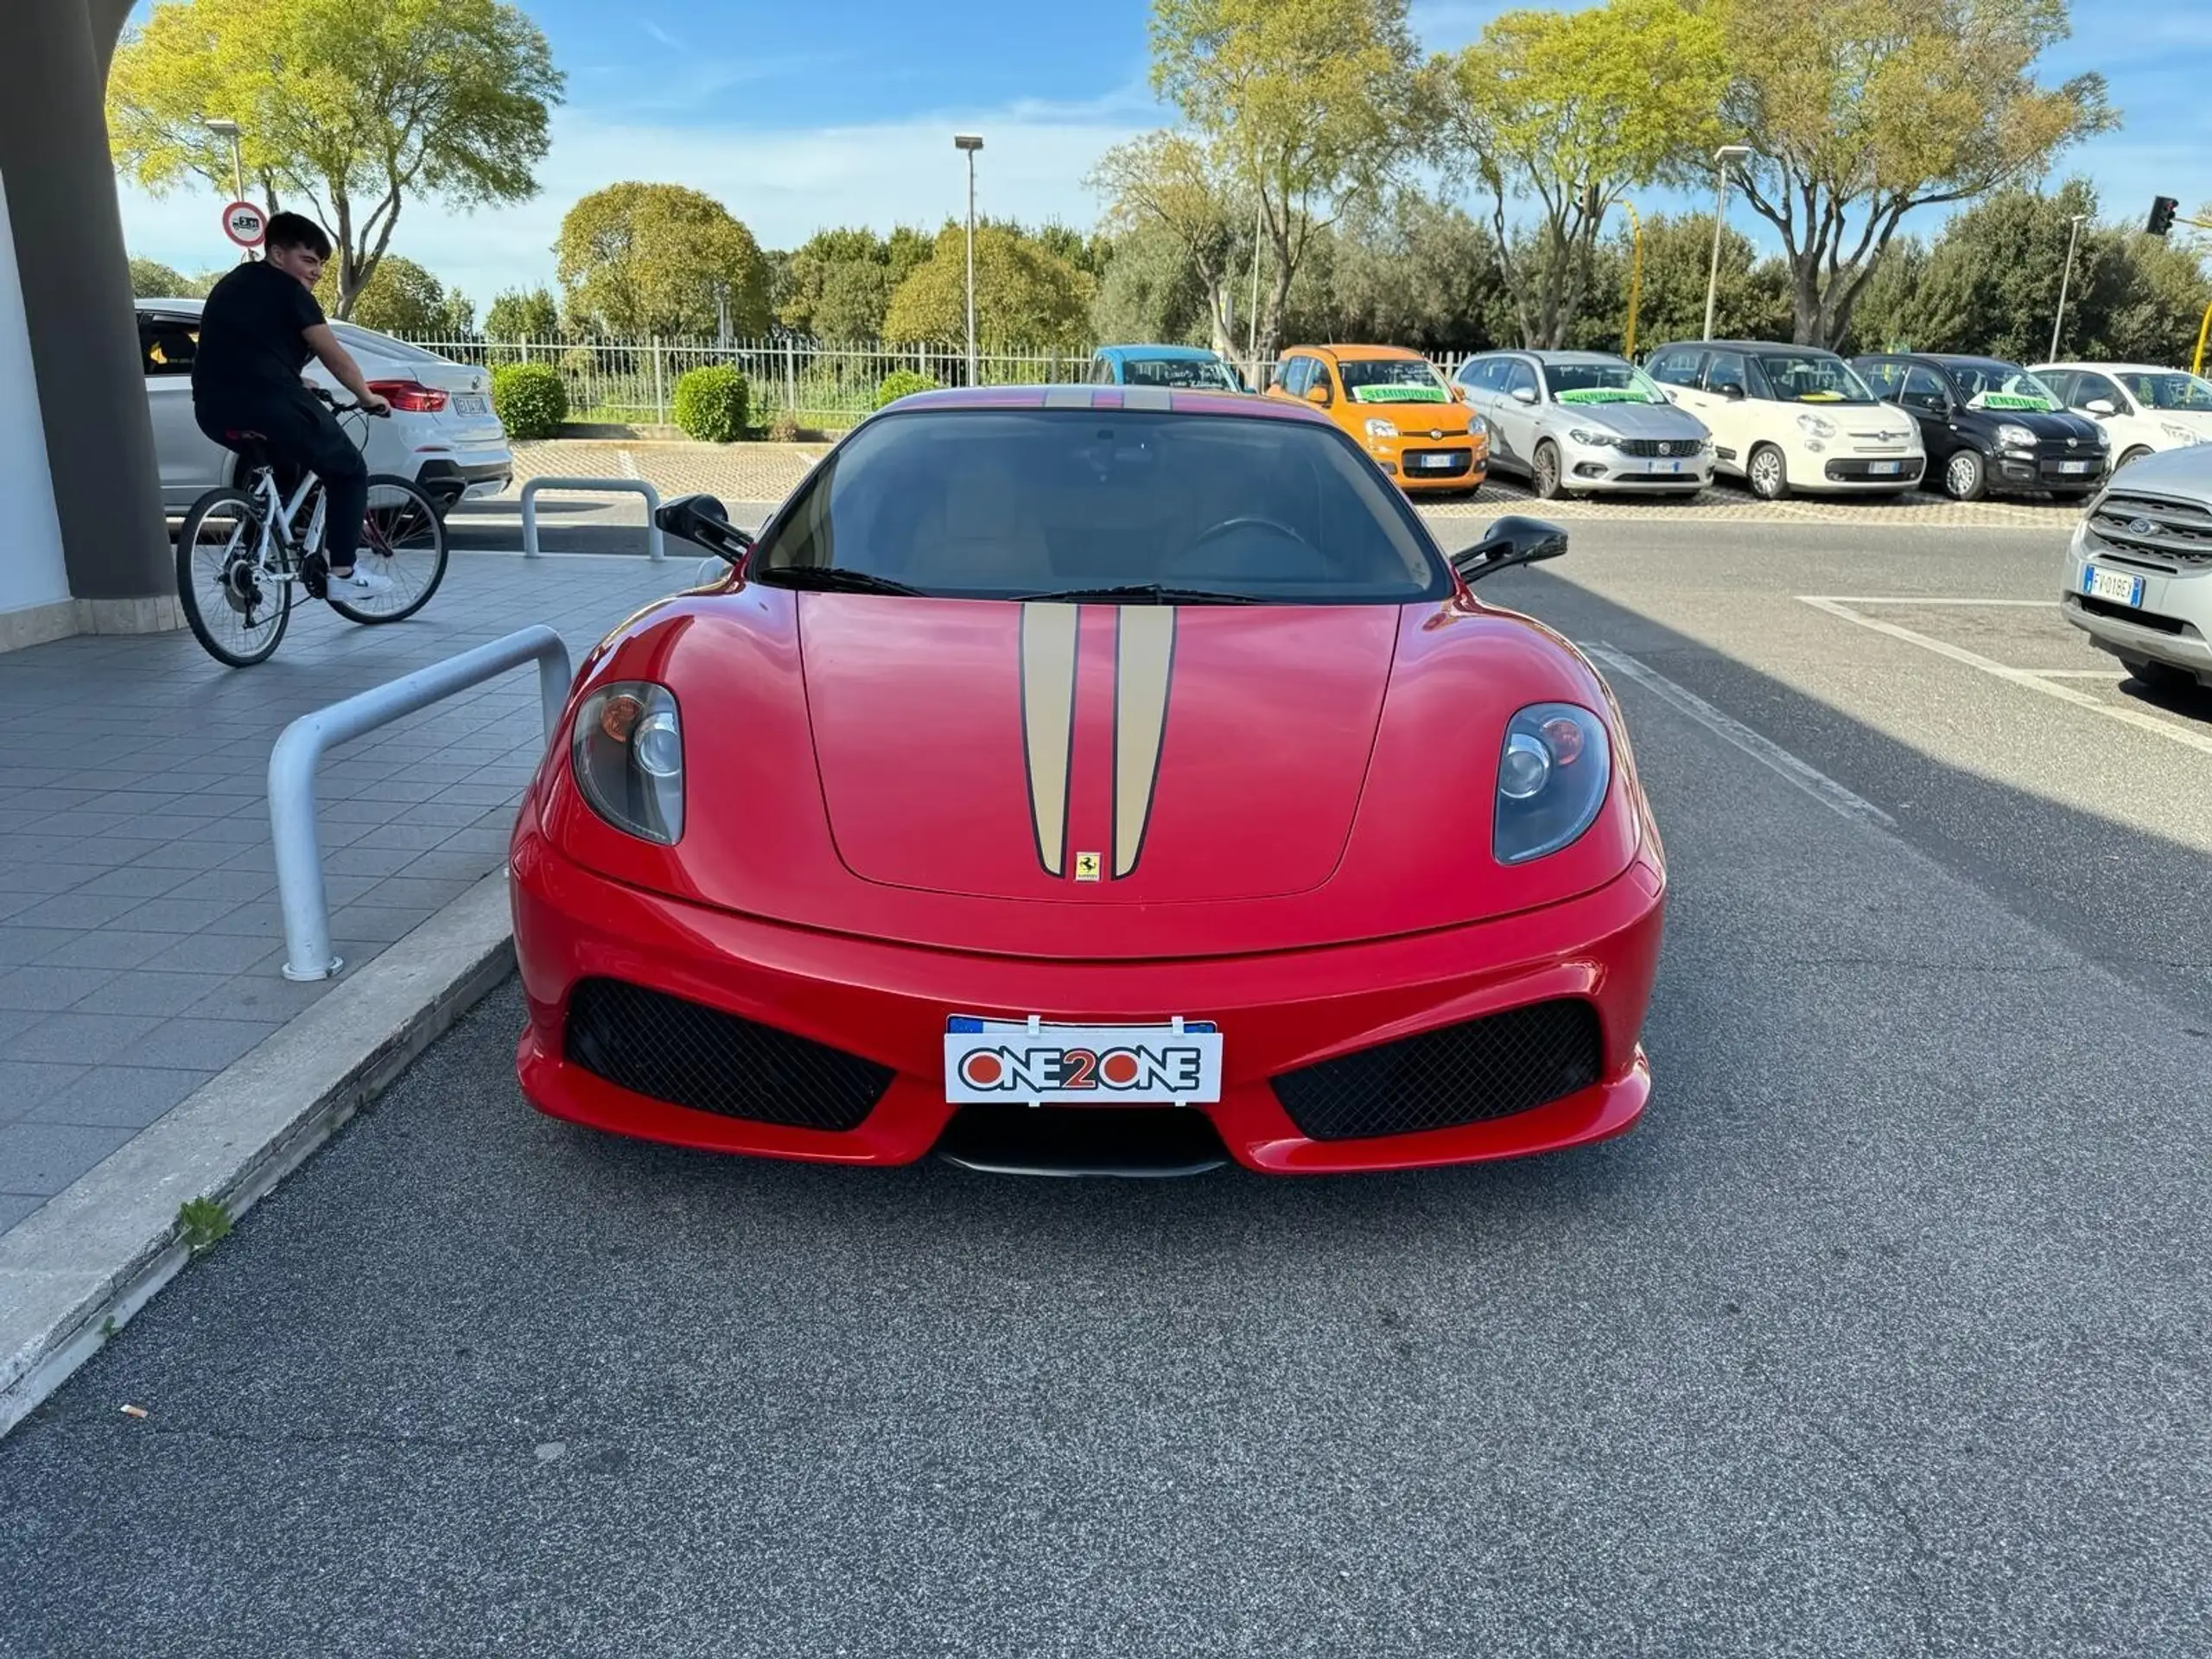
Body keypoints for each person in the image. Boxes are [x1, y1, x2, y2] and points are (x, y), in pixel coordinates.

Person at [191, 213, 393, 598]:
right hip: (269, 401)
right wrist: (366, 396)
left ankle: (251, 561)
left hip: (213, 406)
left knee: (284, 468)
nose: (316, 272)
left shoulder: (230, 285)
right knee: (348, 471)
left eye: (320, 263)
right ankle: (344, 574)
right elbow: (333, 354)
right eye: (309, 260)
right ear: (278, 253)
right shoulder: (290, 292)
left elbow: (245, 348)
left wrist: (296, 378)